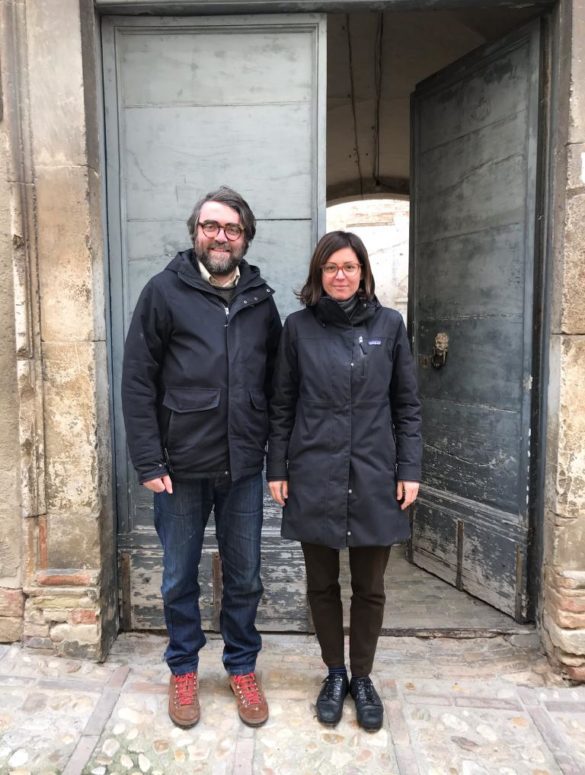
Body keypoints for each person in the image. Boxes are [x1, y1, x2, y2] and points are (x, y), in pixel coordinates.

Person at [122, 186, 281, 729]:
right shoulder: (164, 292)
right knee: (176, 578)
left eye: (232, 229)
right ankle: (184, 669)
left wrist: (274, 457)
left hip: (243, 469)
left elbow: (278, 383)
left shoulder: (261, 299)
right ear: (195, 232)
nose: (221, 236)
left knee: (246, 578)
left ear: (245, 238)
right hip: (180, 469)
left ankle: (241, 667)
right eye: (211, 226)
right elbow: (138, 380)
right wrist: (149, 461)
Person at [267, 231, 422, 732]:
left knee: (371, 587)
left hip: (377, 473)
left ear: (363, 273)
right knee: (323, 584)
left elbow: (407, 406)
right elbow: (282, 405)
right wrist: (278, 468)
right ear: (318, 274)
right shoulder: (298, 328)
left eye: (349, 267)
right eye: (331, 267)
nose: (340, 275)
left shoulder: (389, 326)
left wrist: (410, 469)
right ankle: (334, 673)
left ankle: (363, 676)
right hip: (314, 472)